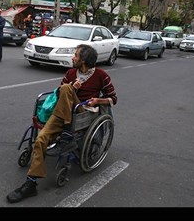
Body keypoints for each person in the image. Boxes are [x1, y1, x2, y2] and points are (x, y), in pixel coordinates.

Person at [6, 44, 117, 203]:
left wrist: (97, 100)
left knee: (66, 89)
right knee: (40, 139)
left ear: (83, 60)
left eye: (76, 55)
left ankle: (66, 131)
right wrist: (72, 87)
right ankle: (31, 184)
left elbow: (113, 99)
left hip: (81, 113)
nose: (72, 57)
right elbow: (59, 94)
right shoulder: (71, 73)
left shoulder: (101, 75)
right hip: (62, 114)